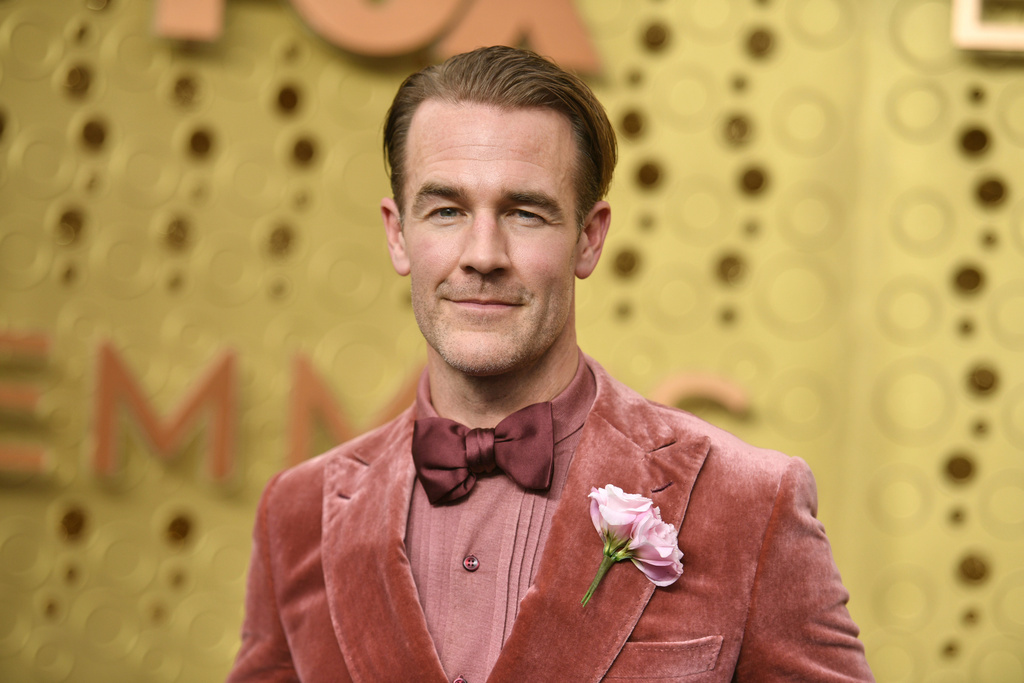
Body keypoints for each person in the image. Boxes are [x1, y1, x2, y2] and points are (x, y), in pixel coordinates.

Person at [227, 46, 874, 682]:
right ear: (398, 234)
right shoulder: (297, 513)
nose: (483, 254)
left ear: (589, 238)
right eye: (447, 210)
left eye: (524, 212)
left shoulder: (749, 504)